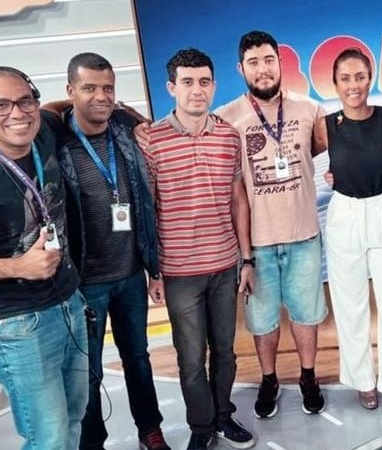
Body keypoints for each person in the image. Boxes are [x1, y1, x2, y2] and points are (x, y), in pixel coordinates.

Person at [0, 65, 87, 450]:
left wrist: (129, 116)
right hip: (16, 325)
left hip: (68, 303)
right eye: (0, 105)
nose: (17, 112)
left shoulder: (42, 132)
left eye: (24, 101)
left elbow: (61, 106)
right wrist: (18, 267)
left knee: (73, 419)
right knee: (48, 437)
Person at [53, 53, 170, 450]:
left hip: (131, 275)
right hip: (85, 283)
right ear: (70, 91)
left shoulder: (124, 130)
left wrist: (153, 268)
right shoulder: (56, 140)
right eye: (89, 88)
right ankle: (93, 443)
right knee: (88, 372)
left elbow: (144, 200)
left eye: (107, 88)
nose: (101, 96)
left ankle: (149, 429)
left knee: (138, 357)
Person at [143, 48, 255, 450]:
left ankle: (223, 416)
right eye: (187, 82)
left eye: (204, 82)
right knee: (191, 360)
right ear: (171, 87)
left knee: (224, 352)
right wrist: (153, 271)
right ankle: (201, 427)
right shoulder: (151, 140)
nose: (197, 90)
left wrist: (246, 260)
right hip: (179, 272)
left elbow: (238, 199)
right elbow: (148, 207)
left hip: (225, 266)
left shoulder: (228, 136)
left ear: (214, 85)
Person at [214, 30, 328, 419]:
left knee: (306, 314)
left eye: (268, 60)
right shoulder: (226, 118)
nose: (262, 69)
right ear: (240, 69)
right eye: (253, 62)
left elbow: (328, 147)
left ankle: (308, 376)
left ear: (280, 62)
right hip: (257, 245)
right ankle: (269, 379)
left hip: (304, 236)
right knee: (262, 321)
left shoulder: (310, 109)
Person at [313, 48, 382, 419]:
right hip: (344, 215)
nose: (353, 85)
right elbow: (301, 159)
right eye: (345, 78)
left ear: (371, 79)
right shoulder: (325, 125)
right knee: (350, 305)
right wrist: (331, 176)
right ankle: (363, 380)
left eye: (360, 76)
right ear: (334, 84)